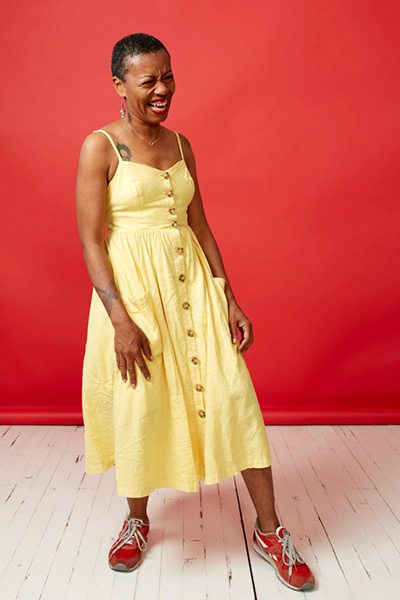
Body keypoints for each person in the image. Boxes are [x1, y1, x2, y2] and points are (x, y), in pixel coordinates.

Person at [75, 33, 315, 592]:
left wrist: (228, 295)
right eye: (148, 81)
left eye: (168, 77)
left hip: (193, 292)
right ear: (119, 85)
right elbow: (91, 240)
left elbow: (199, 225)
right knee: (141, 406)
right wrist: (119, 319)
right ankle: (136, 521)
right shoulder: (99, 147)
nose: (162, 90)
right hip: (134, 299)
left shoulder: (182, 145)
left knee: (235, 396)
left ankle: (271, 531)